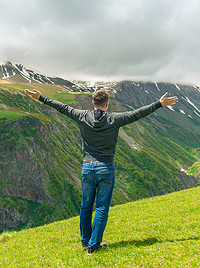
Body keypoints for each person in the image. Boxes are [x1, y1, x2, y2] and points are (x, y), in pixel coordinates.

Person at [25, 88, 178, 254]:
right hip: (105, 168)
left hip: (87, 168)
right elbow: (137, 114)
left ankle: (86, 242)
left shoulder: (82, 116)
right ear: (107, 103)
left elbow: (62, 107)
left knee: (85, 207)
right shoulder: (114, 119)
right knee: (101, 207)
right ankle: (94, 245)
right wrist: (159, 104)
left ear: (93, 103)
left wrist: (41, 97)